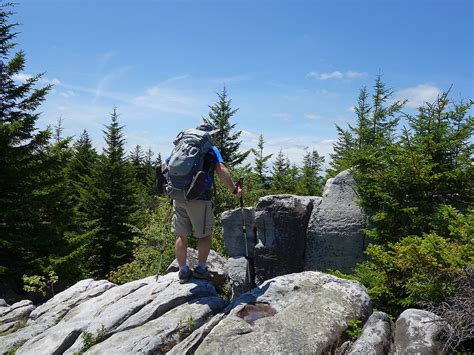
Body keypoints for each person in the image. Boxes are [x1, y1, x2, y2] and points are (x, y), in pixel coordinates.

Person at [172, 122, 243, 283]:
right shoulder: (210, 148)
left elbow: (167, 166)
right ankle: (201, 268)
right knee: (205, 234)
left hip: (178, 194)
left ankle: (183, 270)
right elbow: (220, 169)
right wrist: (234, 189)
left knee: (181, 235)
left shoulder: (182, 146)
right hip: (199, 197)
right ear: (210, 135)